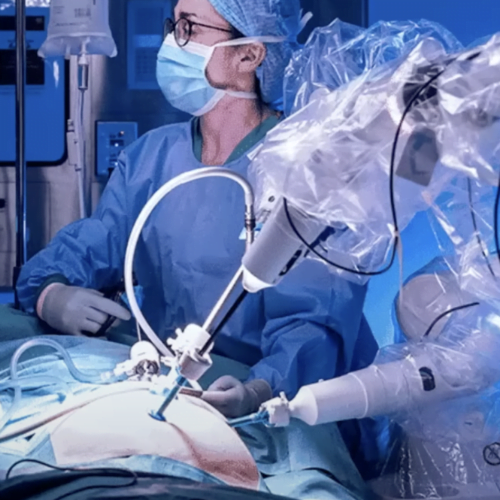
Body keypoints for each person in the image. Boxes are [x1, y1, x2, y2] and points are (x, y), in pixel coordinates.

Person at [14, 1, 377, 497]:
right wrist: (50, 294)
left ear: (249, 54)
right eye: (173, 24)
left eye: (188, 28)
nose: (171, 42)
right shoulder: (152, 157)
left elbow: (314, 324)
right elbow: (99, 241)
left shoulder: (301, 166)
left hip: (270, 402)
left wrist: (258, 390)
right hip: (168, 380)